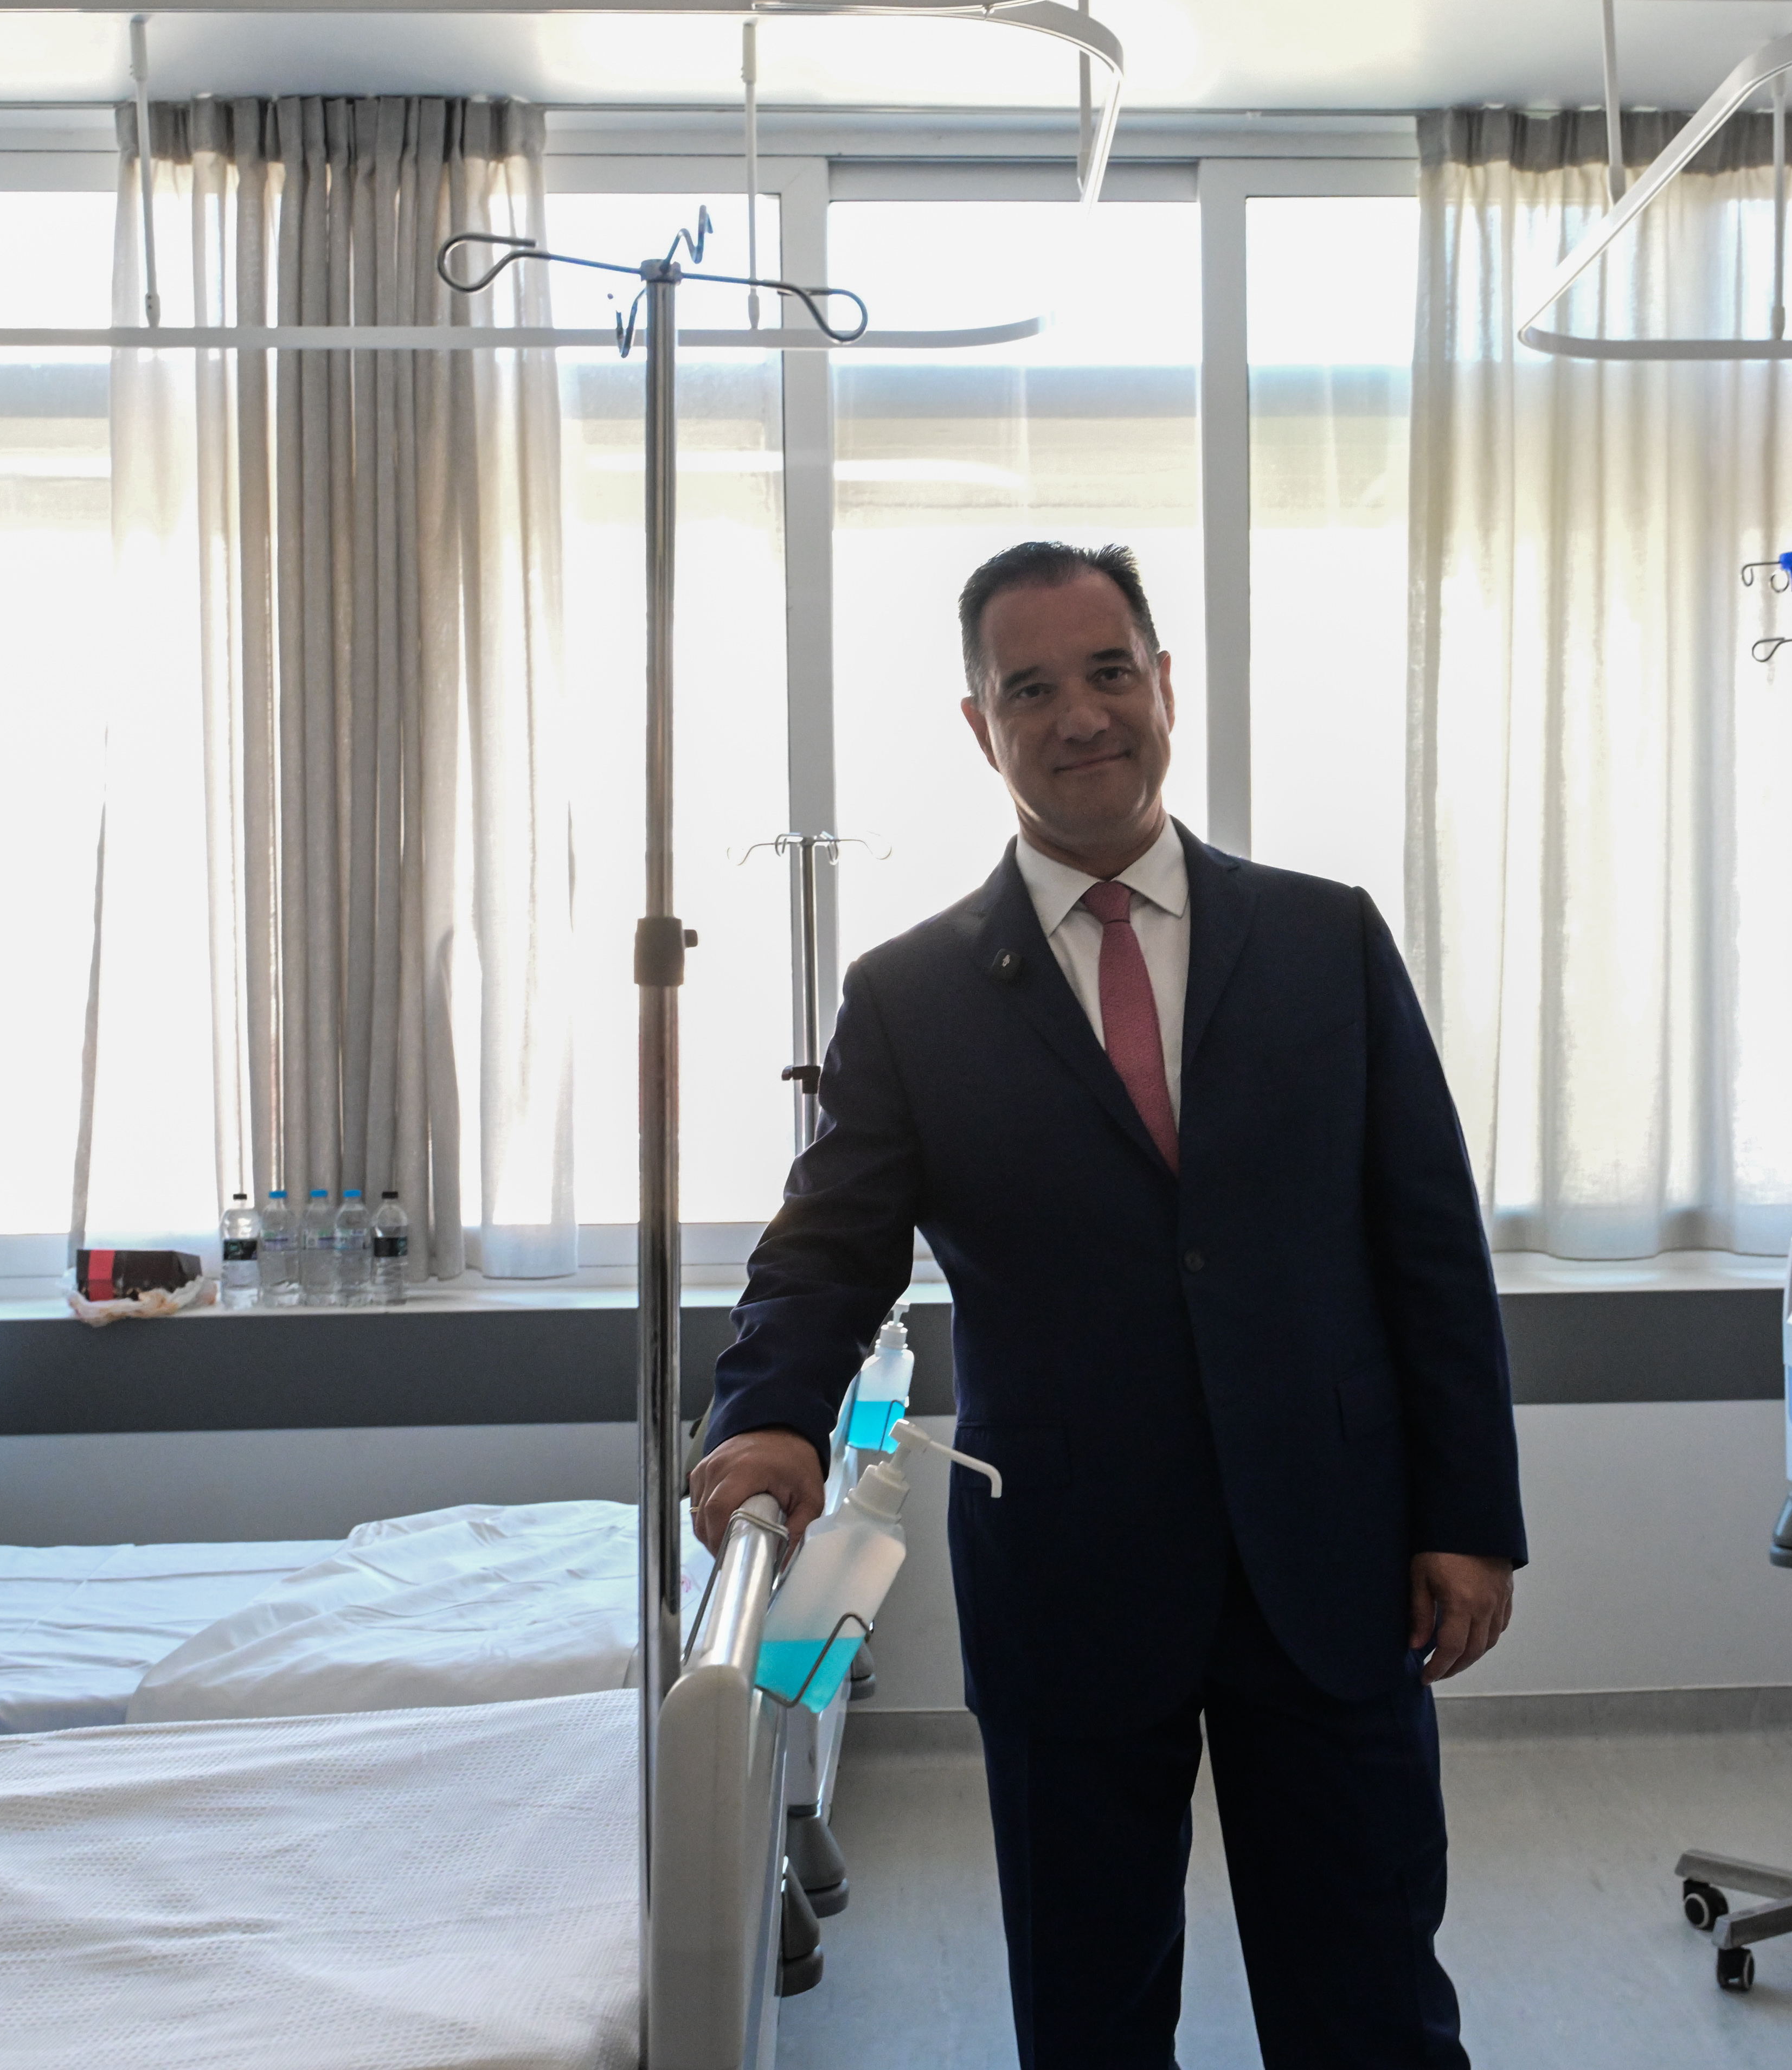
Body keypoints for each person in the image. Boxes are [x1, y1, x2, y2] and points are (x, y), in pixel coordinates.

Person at [690, 540, 1526, 2070]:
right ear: (980, 726)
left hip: (1328, 1558)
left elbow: (1429, 1248)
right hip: (1069, 1576)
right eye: (1031, 689)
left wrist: (1468, 1513)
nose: (1080, 715)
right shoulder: (912, 996)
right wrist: (767, 1422)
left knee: (1371, 2004)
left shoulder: (1327, 941)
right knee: (1090, 2015)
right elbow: (828, 1249)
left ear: (1164, 685)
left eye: (1108, 671)